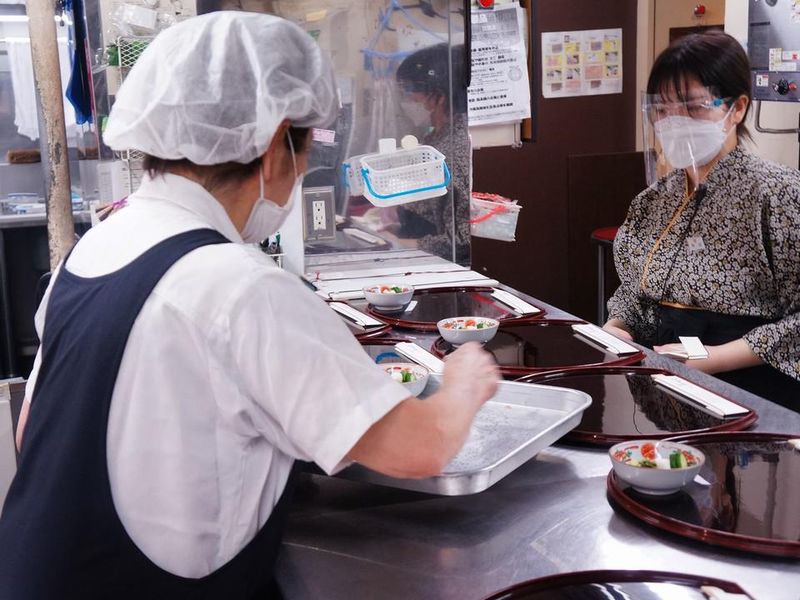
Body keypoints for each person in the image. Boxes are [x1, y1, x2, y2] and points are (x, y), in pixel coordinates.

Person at [0, 13, 499, 598]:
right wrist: (465, 376)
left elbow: (33, 433)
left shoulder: (93, 250)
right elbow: (419, 448)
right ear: (275, 143)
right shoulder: (241, 287)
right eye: (307, 150)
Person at [604, 31, 800, 408]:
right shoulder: (653, 200)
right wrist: (618, 328)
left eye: (693, 107)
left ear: (737, 108)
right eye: (662, 109)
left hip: (752, 393)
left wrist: (714, 358)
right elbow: (635, 290)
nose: (674, 121)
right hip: (666, 386)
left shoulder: (779, 195)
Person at [395, 43, 471, 265]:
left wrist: (400, 244)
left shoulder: (456, 148)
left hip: (444, 267)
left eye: (410, 90)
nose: (406, 100)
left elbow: (462, 239)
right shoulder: (435, 138)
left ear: (438, 96)